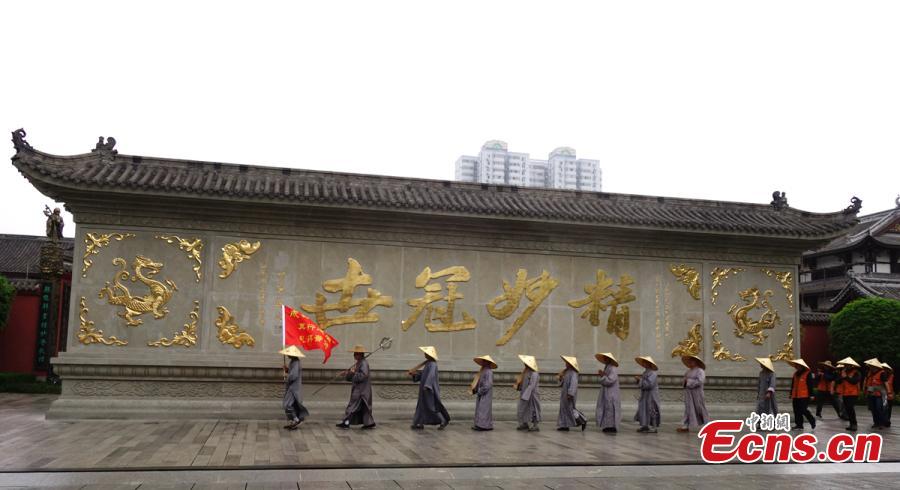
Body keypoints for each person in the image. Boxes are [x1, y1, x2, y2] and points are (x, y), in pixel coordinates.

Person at [409, 346, 451, 430]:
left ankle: (443, 420)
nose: (424, 354)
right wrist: (415, 375)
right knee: (421, 406)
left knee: (431, 406)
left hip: (429, 389)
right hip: (424, 389)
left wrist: (427, 386)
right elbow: (423, 375)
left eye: (426, 353)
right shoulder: (428, 363)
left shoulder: (432, 364)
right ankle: (418, 422)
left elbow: (431, 376)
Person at [336, 345, 375, 430]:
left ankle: (346, 422)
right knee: (364, 407)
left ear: (360, 354)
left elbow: (363, 376)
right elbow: (352, 376)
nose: (354, 355)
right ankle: (369, 423)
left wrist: (353, 373)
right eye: (354, 353)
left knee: (352, 405)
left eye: (356, 353)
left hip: (361, 390)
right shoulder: (359, 363)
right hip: (360, 389)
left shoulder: (364, 363)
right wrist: (348, 373)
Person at [677, 354, 710, 433]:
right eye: (689, 361)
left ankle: (707, 425)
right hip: (689, 394)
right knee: (688, 408)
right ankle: (685, 425)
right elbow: (684, 381)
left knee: (700, 408)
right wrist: (685, 382)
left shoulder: (700, 371)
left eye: (692, 361)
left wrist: (688, 382)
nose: (690, 362)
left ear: (696, 362)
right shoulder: (688, 371)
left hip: (697, 394)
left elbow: (700, 381)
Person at [279, 345, 309, 430]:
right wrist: (287, 370)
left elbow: (294, 375)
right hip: (291, 387)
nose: (287, 355)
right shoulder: (293, 362)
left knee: (287, 405)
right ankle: (293, 421)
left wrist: (287, 375)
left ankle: (296, 420)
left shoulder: (296, 362)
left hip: (293, 388)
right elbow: (293, 372)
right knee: (291, 405)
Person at [557, 355, 587, 431]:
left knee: (570, 409)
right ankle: (565, 425)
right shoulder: (567, 372)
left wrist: (570, 393)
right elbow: (563, 383)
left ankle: (583, 420)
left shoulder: (573, 373)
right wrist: (561, 378)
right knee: (564, 409)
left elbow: (573, 384)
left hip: (569, 394)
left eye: (567, 362)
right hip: (565, 393)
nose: (565, 364)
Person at [595, 352, 621, 433]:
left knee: (611, 409)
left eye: (605, 358)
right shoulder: (607, 367)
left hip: (611, 393)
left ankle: (611, 426)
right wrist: (603, 375)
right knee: (607, 408)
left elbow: (611, 380)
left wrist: (603, 376)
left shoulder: (612, 368)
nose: (604, 359)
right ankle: (607, 425)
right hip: (607, 392)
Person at [633, 355, 660, 433]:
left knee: (651, 409)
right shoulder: (645, 372)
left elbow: (649, 384)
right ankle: (645, 425)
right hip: (645, 394)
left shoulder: (653, 373)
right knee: (644, 409)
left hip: (651, 395)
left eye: (645, 363)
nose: (643, 364)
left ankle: (653, 427)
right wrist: (639, 381)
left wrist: (640, 380)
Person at [787, 358, 816, 430]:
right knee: (796, 410)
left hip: (804, 395)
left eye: (797, 365)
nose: (796, 367)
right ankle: (799, 425)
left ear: (802, 366)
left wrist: (811, 395)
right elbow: (793, 385)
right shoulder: (795, 374)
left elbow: (810, 385)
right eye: (796, 365)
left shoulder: (807, 373)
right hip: (795, 395)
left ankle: (812, 420)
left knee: (803, 409)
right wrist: (791, 394)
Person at [516, 354, 541, 432]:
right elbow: (524, 383)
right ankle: (525, 423)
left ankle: (535, 425)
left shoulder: (534, 373)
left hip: (532, 395)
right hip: (525, 394)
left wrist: (525, 395)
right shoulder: (526, 372)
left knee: (534, 409)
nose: (524, 364)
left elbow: (532, 385)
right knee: (523, 408)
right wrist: (519, 386)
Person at [472, 354, 497, 431]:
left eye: (484, 361)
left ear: (487, 362)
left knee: (484, 409)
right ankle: (479, 424)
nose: (482, 362)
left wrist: (480, 390)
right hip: (482, 393)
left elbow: (488, 384)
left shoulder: (489, 372)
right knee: (481, 409)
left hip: (486, 394)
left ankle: (484, 425)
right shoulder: (483, 371)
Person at [837, 357, 861, 431]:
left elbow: (854, 381)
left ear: (851, 365)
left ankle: (854, 424)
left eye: (847, 365)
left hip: (853, 394)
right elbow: (838, 381)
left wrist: (846, 377)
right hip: (845, 394)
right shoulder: (844, 372)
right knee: (847, 409)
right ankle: (851, 424)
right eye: (845, 365)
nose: (845, 366)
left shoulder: (856, 373)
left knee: (850, 408)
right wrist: (842, 377)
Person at [864, 358, 888, 430]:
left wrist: (888, 393)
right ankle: (876, 423)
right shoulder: (870, 373)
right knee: (873, 409)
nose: (870, 367)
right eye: (870, 366)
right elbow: (869, 384)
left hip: (879, 394)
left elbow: (886, 383)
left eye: (871, 366)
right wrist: (866, 392)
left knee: (879, 408)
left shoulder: (882, 373)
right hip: (871, 394)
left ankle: (881, 423)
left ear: (875, 366)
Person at [754, 357, 778, 426]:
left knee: (769, 409)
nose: (760, 365)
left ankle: (772, 423)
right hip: (761, 394)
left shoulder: (772, 373)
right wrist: (758, 393)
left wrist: (769, 393)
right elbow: (759, 384)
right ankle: (761, 423)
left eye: (761, 364)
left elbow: (772, 384)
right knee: (760, 409)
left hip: (769, 395)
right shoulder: (761, 373)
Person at [882, 363, 894, 427]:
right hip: (882, 394)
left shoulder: (892, 376)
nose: (884, 370)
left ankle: (887, 421)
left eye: (885, 369)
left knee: (888, 409)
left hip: (890, 395)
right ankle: (883, 420)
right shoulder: (881, 376)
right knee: (882, 408)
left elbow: (895, 385)